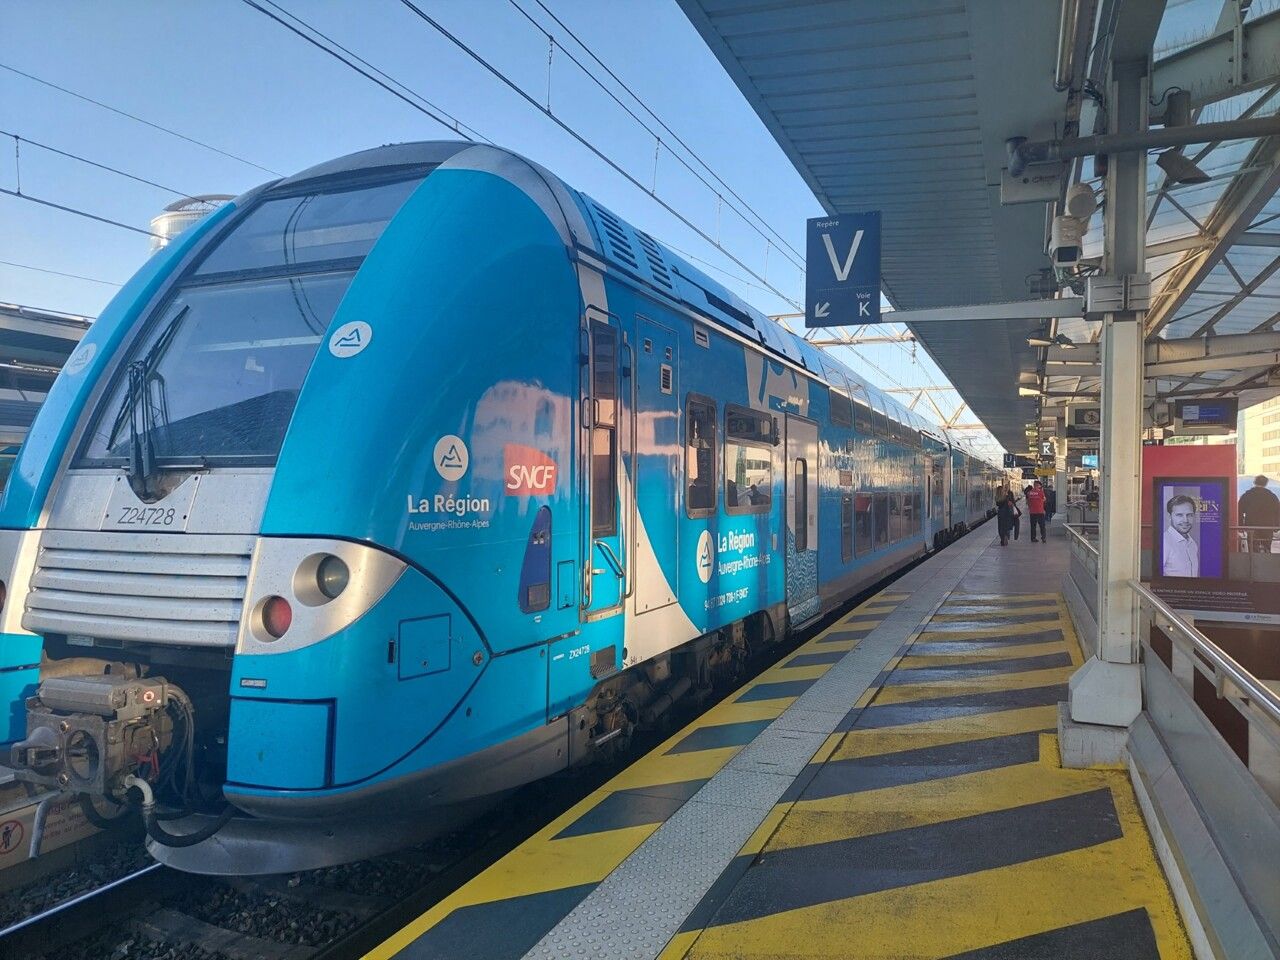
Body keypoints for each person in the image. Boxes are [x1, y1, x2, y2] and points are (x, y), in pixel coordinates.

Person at [1238, 475, 1279, 553]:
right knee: (1267, 547)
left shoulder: (1247, 495)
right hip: (1268, 526)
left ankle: (1254, 564)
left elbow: (1239, 510)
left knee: (1253, 548)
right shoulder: (1272, 496)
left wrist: (1240, 526)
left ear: (1254, 482)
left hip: (1251, 526)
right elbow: (1277, 512)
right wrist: (1276, 527)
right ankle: (1266, 561)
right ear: (1266, 484)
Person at [1163, 494, 1199, 577]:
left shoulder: (1192, 544)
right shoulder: (1164, 542)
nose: (1185, 520)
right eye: (1179, 515)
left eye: (1189, 515)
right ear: (1170, 517)